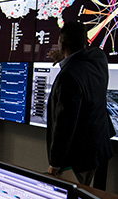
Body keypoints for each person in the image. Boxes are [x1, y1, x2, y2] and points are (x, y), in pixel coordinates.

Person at [45, 21, 114, 185]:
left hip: (78, 157)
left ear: (63, 43)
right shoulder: (99, 59)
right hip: (99, 148)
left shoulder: (68, 77)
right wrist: (64, 57)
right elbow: (85, 56)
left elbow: (65, 125)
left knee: (72, 198)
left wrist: (55, 164)